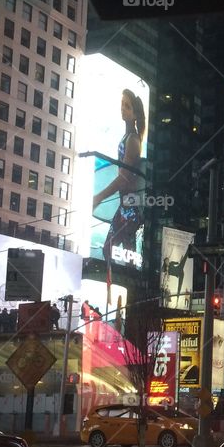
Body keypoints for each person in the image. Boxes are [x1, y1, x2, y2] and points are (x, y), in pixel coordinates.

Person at [93, 89, 146, 303]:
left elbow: (124, 179)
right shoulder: (129, 137)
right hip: (127, 206)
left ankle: (116, 298)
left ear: (135, 113)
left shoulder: (133, 140)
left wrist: (99, 196)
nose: (122, 109)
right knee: (129, 260)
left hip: (129, 208)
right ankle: (127, 301)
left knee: (110, 249)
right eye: (122, 104)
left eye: (127, 106)